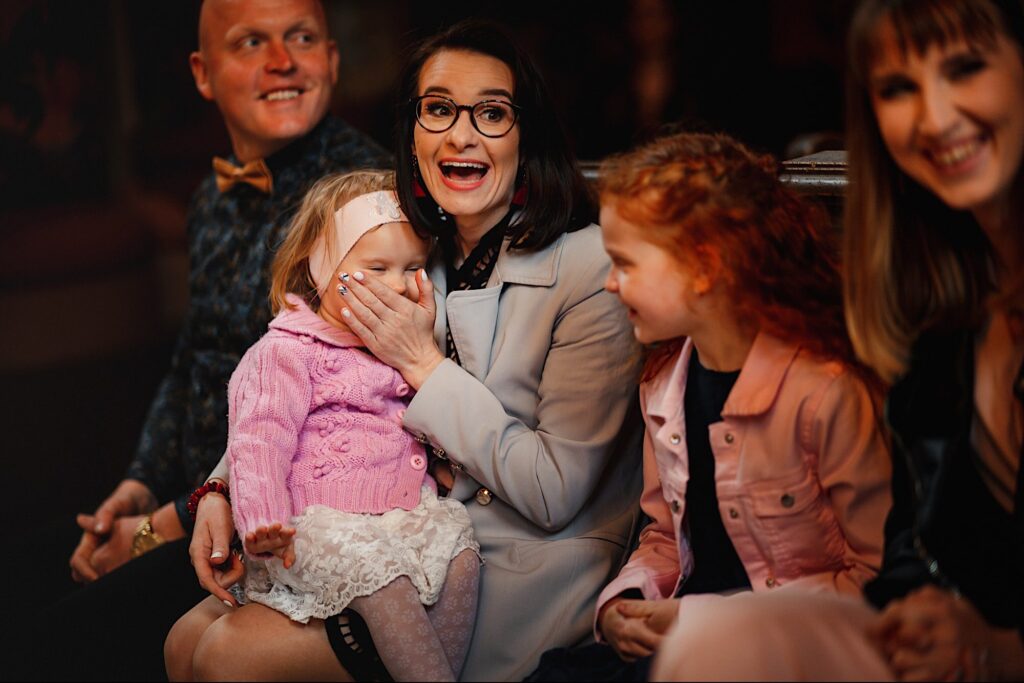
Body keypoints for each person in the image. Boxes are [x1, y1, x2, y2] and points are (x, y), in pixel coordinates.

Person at [179, 19, 644, 682]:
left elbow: (553, 491)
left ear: (528, 135)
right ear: (414, 133)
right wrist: (221, 489)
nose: (461, 134)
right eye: (439, 109)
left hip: (512, 560)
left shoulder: (588, 268)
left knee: (226, 655)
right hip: (377, 525)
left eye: (492, 113)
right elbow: (304, 374)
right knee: (183, 641)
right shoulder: (406, 240)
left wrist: (422, 364)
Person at [15, 1, 391, 680]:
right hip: (183, 499)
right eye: (251, 43)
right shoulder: (210, 201)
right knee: (21, 567)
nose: (282, 62)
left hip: (272, 529)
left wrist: (159, 527)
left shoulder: (363, 208)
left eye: (301, 38)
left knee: (50, 645)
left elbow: (332, 423)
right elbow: (190, 359)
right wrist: (137, 485)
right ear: (203, 73)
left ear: (332, 60)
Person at [652, 0, 1024, 680]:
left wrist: (991, 649)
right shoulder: (936, 313)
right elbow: (915, 554)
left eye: (965, 69)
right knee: (709, 647)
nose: (935, 116)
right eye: (899, 88)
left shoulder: (818, 385)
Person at [525, 130, 893, 682]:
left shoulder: (825, 393)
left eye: (625, 264)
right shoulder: (662, 384)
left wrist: (704, 619)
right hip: (684, 635)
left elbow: (876, 578)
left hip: (784, 655)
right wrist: (626, 603)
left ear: (704, 267)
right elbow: (665, 536)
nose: (610, 285)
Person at [166, 170, 481, 682]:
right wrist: (263, 521)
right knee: (385, 580)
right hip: (315, 525)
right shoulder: (286, 353)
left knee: (462, 556)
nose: (399, 285)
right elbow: (259, 441)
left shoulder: (404, 343)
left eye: (413, 268)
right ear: (320, 269)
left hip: (400, 514)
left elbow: (426, 421)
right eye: (376, 268)